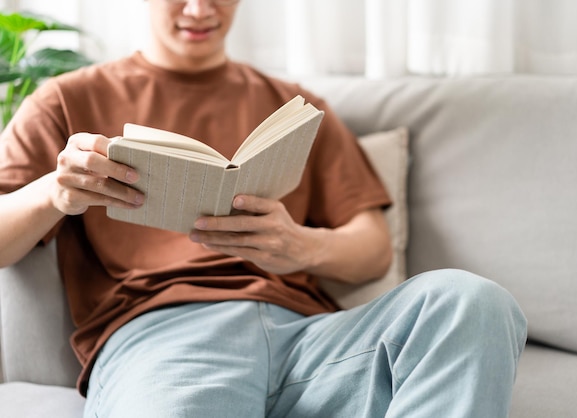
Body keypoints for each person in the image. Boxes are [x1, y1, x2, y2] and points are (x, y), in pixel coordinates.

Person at [0, 0, 527, 417]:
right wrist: (55, 192)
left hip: (311, 342)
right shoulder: (63, 100)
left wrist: (300, 245)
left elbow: (372, 250)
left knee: (471, 302)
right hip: (163, 337)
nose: (200, 9)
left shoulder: (295, 108)